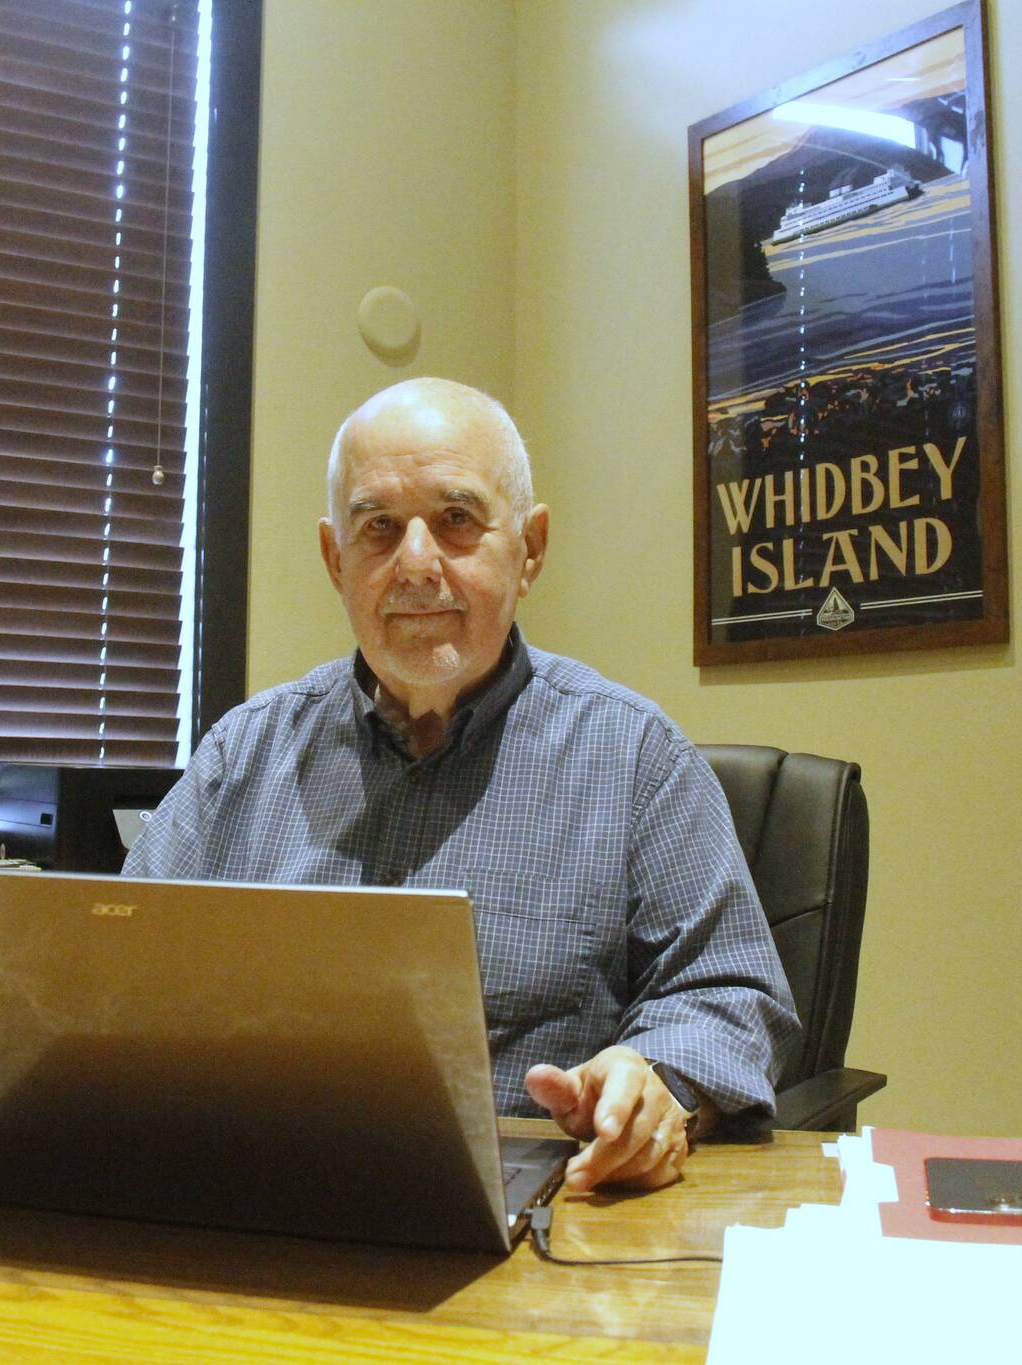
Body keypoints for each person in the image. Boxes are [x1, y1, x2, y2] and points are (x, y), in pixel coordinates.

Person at [124, 378, 797, 1192]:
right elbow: (118, 970)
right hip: (251, 1191)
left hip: (529, 1219)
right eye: (378, 527)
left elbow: (730, 992)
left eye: (455, 520)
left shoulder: (636, 759)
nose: (415, 564)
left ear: (530, 549)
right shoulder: (243, 756)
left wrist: (653, 1076)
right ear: (336, 560)